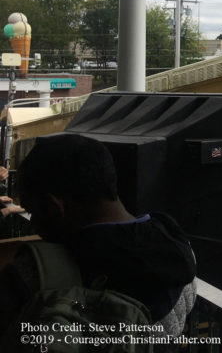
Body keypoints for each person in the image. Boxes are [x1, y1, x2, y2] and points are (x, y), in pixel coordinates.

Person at [0, 133, 197, 341]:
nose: (35, 224)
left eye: (32, 211)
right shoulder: (180, 252)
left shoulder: (32, 275)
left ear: (53, 207)